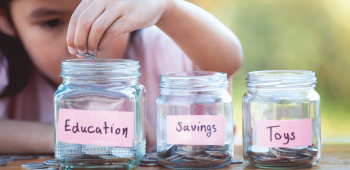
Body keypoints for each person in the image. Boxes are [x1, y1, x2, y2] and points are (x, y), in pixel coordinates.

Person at [0, 0, 243, 154]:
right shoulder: (6, 65)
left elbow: (226, 63)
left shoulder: (159, 47)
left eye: (105, 18)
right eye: (52, 22)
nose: (81, 41)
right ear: (5, 19)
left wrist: (165, 7)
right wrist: (80, 135)